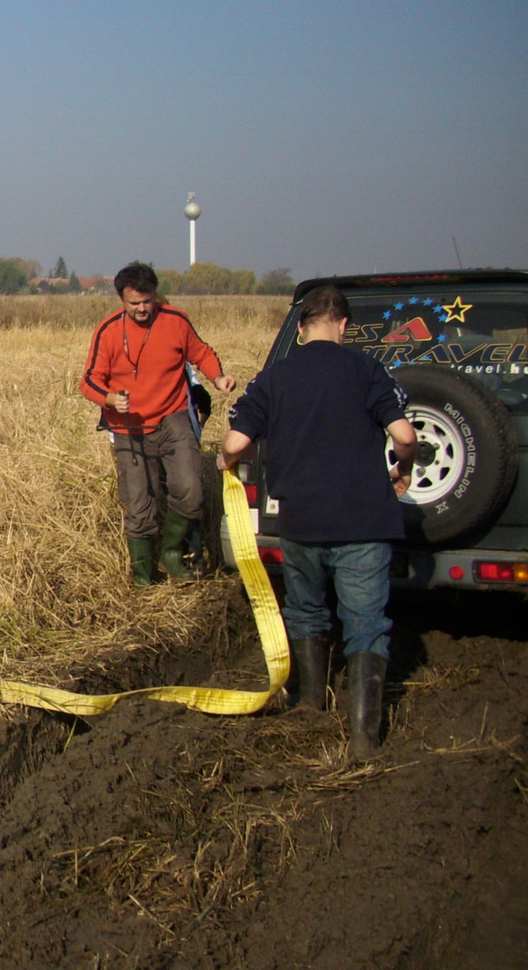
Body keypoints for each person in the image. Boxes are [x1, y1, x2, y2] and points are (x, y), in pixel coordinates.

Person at [217, 285, 417, 759]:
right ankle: (365, 738)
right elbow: (404, 435)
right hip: (365, 521)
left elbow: (236, 443)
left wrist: (225, 463)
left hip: (302, 521)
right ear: (344, 325)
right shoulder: (368, 370)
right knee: (366, 622)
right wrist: (403, 466)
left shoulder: (274, 377)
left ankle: (309, 703)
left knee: (306, 610)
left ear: (301, 327)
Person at [81, 262, 237, 585]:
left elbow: (201, 353)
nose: (141, 309)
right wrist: (110, 399)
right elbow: (89, 381)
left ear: (155, 295)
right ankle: (144, 578)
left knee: (191, 490)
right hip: (128, 427)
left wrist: (218, 378)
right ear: (121, 300)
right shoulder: (108, 331)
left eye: (147, 300)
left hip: (173, 418)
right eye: (134, 303)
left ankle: (171, 553)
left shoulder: (176, 321)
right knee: (139, 507)